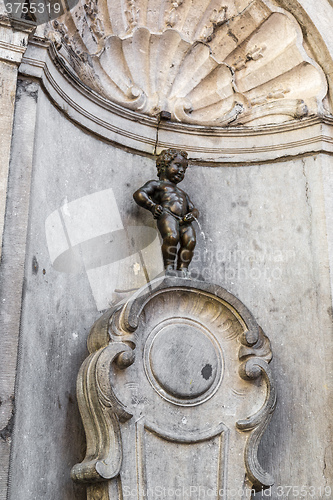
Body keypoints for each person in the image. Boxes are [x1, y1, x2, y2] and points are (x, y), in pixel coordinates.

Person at [133, 148, 199, 275]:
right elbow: (139, 194)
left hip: (184, 220)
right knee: (171, 237)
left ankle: (183, 269)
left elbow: (193, 208)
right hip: (167, 214)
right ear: (164, 165)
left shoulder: (183, 193)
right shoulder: (157, 185)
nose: (181, 171)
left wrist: (193, 214)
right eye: (178, 165)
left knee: (190, 241)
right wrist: (152, 206)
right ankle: (169, 267)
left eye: (184, 169)